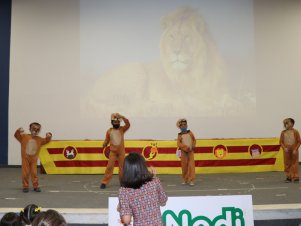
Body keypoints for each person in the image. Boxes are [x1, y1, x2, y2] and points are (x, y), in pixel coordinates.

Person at [118, 152, 168, 226]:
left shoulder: (124, 191)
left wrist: (121, 207)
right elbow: (163, 200)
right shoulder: (155, 181)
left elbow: (126, 220)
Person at [14, 122, 52, 192]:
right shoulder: (24, 136)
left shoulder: (39, 139)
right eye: (34, 129)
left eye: (38, 129)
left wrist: (49, 136)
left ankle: (36, 186)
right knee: (25, 173)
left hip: (34, 160)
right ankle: (25, 186)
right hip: (25, 159)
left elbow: (46, 140)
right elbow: (16, 135)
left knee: (34, 173)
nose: (35, 131)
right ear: (30, 129)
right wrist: (18, 130)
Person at [100, 113, 130, 189]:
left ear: (119, 123)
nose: (116, 123)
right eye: (115, 122)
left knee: (122, 167)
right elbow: (107, 139)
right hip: (112, 152)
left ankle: (123, 182)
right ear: (112, 122)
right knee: (109, 167)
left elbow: (128, 124)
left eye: (118, 122)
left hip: (121, 152)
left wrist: (122, 117)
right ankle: (104, 182)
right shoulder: (109, 131)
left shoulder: (122, 129)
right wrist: (104, 144)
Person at [280, 118, 301, 183]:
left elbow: (299, 141)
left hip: (294, 149)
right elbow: (281, 142)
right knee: (287, 163)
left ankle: (296, 177)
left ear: (292, 124)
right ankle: (288, 177)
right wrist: (284, 148)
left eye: (287, 123)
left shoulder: (295, 132)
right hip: (286, 150)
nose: (286, 125)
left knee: (294, 163)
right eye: (285, 123)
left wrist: (295, 149)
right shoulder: (283, 133)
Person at [176, 118, 196, 186]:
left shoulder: (190, 133)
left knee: (191, 166)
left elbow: (194, 140)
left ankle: (191, 180)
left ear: (187, 126)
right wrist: (185, 147)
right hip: (184, 152)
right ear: (180, 127)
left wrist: (192, 146)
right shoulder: (179, 135)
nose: (184, 126)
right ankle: (185, 179)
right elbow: (179, 144)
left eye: (185, 125)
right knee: (184, 166)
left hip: (190, 151)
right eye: (182, 125)